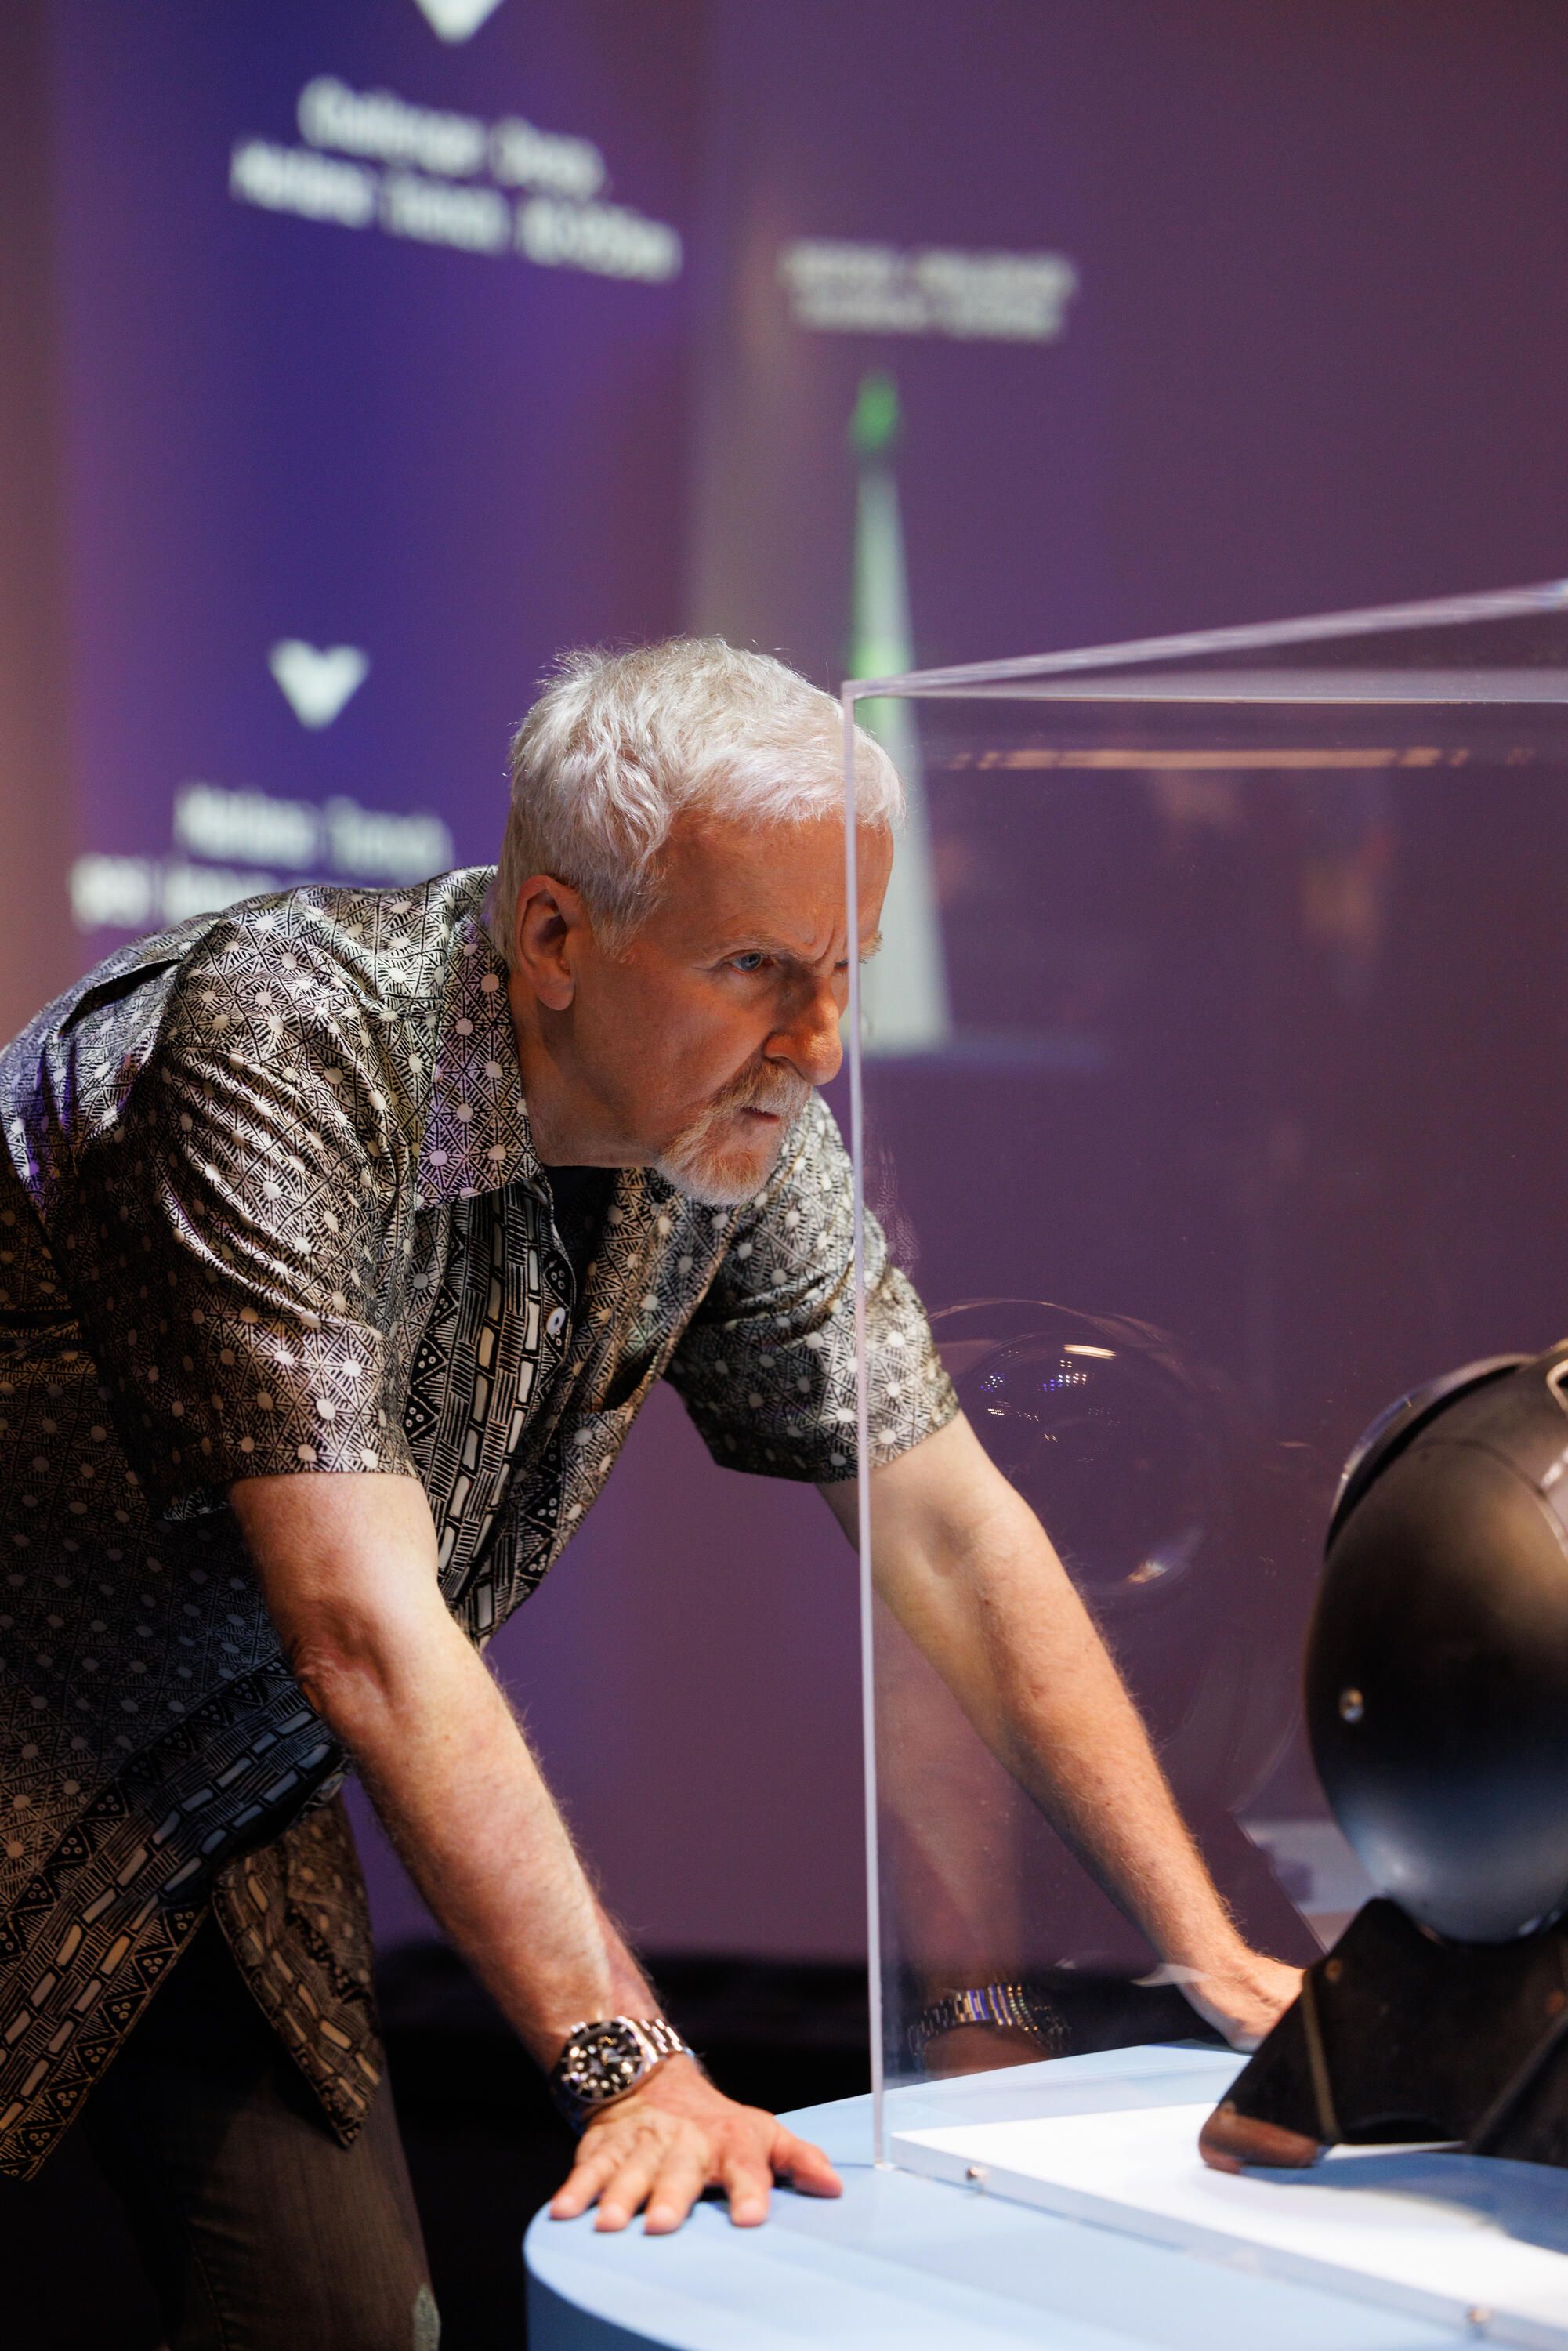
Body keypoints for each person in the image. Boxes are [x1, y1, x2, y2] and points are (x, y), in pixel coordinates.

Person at [0, 639, 1298, 2347]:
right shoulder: (285, 1040)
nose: (819, 1042)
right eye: (759, 964)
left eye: (846, 970)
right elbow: (366, 1627)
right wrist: (635, 2067)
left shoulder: (734, 1125)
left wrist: (1204, 1951)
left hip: (220, 1798)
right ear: (554, 936)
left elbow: (946, 1526)